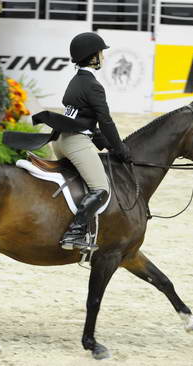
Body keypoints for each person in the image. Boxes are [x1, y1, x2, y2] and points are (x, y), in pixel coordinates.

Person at [53, 32, 131, 251]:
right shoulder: (93, 85)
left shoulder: (76, 80)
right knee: (101, 188)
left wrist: (105, 145)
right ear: (92, 57)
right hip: (74, 142)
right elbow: (106, 121)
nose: (103, 57)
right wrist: (120, 149)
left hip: (60, 140)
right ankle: (74, 234)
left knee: (83, 181)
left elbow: (86, 121)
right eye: (100, 53)